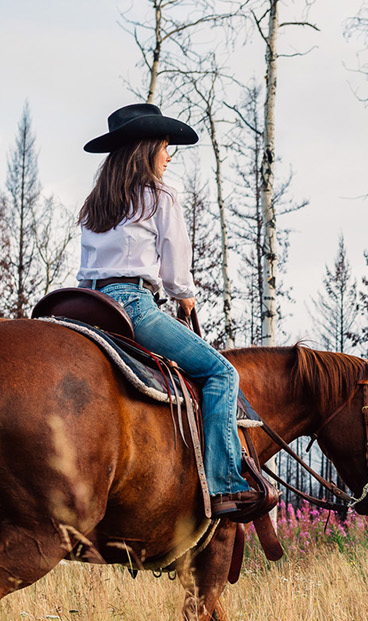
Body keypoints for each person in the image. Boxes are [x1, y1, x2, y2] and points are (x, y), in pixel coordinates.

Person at [77, 103, 274, 522]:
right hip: (131, 303)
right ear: (147, 150)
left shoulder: (94, 204)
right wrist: (185, 297)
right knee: (222, 373)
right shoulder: (160, 195)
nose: (168, 156)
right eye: (166, 148)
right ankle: (225, 485)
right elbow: (175, 269)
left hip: (86, 307)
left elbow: (86, 270)